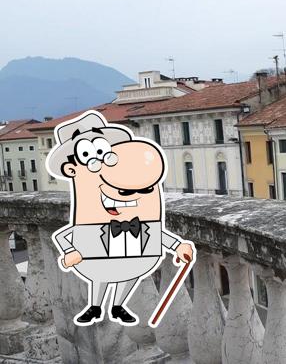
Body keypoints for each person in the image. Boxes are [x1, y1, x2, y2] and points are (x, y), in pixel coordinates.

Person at [48, 111, 195, 326]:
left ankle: (117, 305)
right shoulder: (89, 208)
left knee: (129, 274)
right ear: (72, 169)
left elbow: (156, 234)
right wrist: (71, 252)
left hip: (134, 253)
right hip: (98, 255)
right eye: (91, 158)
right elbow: (64, 235)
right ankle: (95, 306)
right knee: (100, 274)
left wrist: (178, 246)